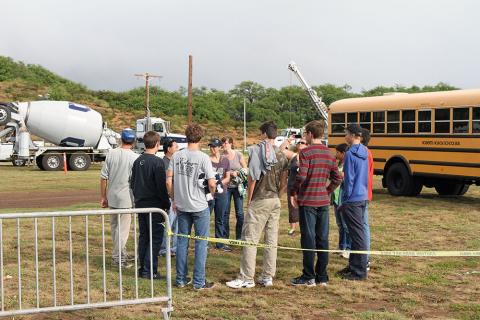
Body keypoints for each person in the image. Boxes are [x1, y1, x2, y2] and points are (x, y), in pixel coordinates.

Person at [226, 121, 289, 289]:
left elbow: (253, 178)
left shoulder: (256, 150)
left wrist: (249, 200)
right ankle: (267, 276)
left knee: (250, 239)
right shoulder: (281, 154)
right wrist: (278, 196)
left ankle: (246, 277)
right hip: (275, 200)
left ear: (263, 134)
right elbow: (284, 182)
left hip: (260, 199)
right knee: (271, 240)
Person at [290, 120, 342, 287]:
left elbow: (302, 176)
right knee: (323, 239)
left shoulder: (306, 153)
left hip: (308, 200)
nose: (305, 136)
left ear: (310, 134)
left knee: (308, 238)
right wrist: (327, 191)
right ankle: (322, 276)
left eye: (306, 134)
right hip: (323, 201)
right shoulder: (329, 153)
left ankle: (308, 276)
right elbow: (337, 178)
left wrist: (294, 191)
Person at [167, 124, 216, 290]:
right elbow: (211, 182)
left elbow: (168, 181)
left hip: (181, 205)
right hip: (200, 206)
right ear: (200, 138)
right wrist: (212, 193)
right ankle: (198, 281)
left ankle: (180, 279)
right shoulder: (203, 157)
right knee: (201, 244)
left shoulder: (176, 156)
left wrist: (174, 198)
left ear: (186, 137)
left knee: (182, 242)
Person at [130, 131, 171, 280]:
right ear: (157, 144)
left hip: (141, 204)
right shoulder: (157, 162)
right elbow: (161, 187)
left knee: (144, 237)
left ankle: (143, 269)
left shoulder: (137, 160)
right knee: (154, 239)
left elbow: (132, 183)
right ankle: (149, 271)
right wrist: (166, 203)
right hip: (154, 206)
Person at [100, 128, 139, 267]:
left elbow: (104, 177)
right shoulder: (134, 157)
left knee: (115, 228)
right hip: (126, 198)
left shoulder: (111, 153)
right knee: (122, 231)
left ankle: (119, 254)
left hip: (112, 197)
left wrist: (103, 196)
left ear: (121, 139)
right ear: (133, 141)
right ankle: (118, 258)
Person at [336, 124, 369, 281]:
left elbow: (348, 179)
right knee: (358, 234)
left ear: (353, 135)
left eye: (346, 133)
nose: (345, 136)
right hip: (362, 196)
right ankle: (353, 266)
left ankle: (359, 272)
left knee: (356, 237)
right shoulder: (365, 151)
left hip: (353, 199)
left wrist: (345, 200)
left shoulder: (349, 154)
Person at [221, 136, 248, 241]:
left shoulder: (238, 154)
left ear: (231, 144)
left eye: (226, 143)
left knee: (240, 213)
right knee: (225, 213)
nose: (224, 145)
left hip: (238, 187)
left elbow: (246, 169)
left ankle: (239, 237)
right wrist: (228, 174)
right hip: (226, 187)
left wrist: (238, 172)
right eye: (223, 143)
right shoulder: (222, 157)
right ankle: (225, 237)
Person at [208, 138, 232, 251]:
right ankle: (204, 242)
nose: (212, 148)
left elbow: (227, 177)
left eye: (214, 146)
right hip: (210, 193)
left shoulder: (225, 160)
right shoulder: (207, 160)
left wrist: (219, 182)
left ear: (219, 147)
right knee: (206, 218)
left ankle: (220, 243)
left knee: (220, 218)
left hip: (222, 193)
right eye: (211, 146)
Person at [283, 137, 308, 236]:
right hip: (292, 186)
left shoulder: (309, 157)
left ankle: (304, 227)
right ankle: (292, 228)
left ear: (307, 145)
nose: (301, 143)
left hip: (304, 186)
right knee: (292, 207)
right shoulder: (294, 156)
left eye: (303, 142)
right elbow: (282, 150)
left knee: (304, 208)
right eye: (299, 142)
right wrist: (287, 141)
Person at [159, 138, 179, 257]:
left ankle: (175, 248)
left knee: (177, 225)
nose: (177, 149)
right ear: (168, 149)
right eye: (175, 146)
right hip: (170, 199)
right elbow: (167, 183)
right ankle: (164, 249)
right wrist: (171, 198)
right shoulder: (163, 163)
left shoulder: (175, 162)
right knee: (168, 224)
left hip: (178, 199)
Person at [332, 143, 351, 258]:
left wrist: (334, 172)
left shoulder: (348, 163)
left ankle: (348, 248)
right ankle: (341, 246)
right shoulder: (339, 163)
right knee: (340, 224)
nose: (336, 154)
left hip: (343, 197)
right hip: (336, 198)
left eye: (337, 152)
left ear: (343, 153)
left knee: (346, 225)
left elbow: (345, 176)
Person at [361, 128, 374, 270]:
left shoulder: (363, 153)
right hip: (364, 194)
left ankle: (364, 259)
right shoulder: (367, 153)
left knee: (362, 227)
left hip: (361, 195)